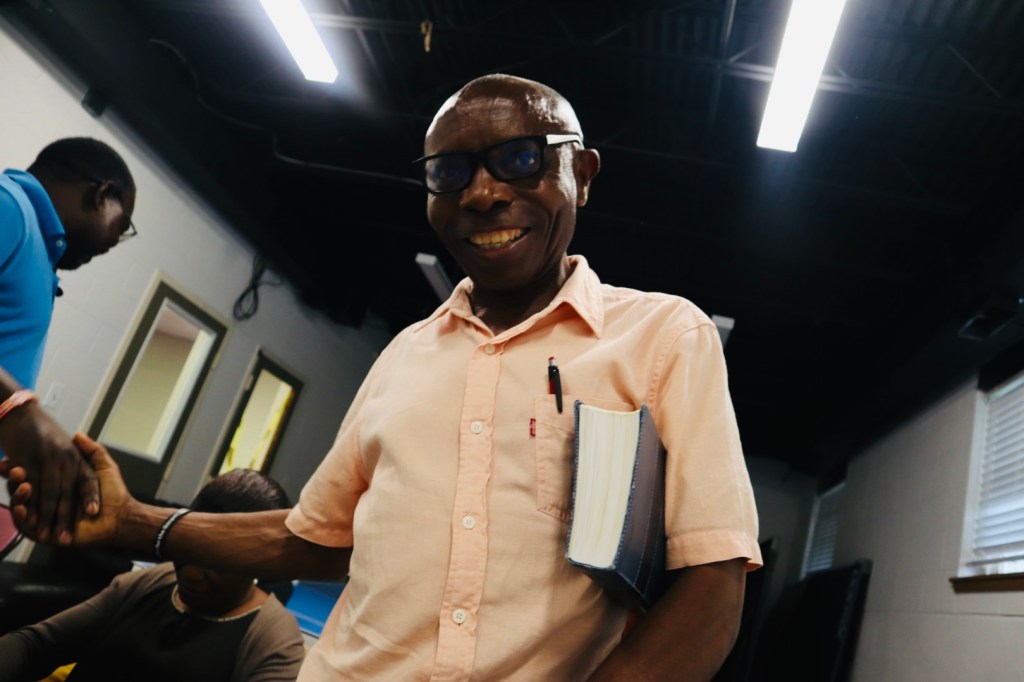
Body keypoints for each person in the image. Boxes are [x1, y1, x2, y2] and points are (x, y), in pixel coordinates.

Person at [5, 74, 762, 680]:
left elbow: (714, 580)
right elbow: (314, 540)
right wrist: (134, 523)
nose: (482, 192)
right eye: (450, 172)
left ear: (583, 174)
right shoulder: (405, 354)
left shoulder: (664, 338)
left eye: (522, 158)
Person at [0, 467, 306, 682]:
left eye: (217, 562)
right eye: (188, 548)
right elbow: (34, 644)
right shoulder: (150, 582)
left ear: (257, 565)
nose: (192, 573)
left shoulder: (272, 640)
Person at [0, 138, 137, 544]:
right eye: (122, 226)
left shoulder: (38, 248)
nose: (114, 243)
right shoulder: (10, 207)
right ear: (103, 194)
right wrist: (17, 411)